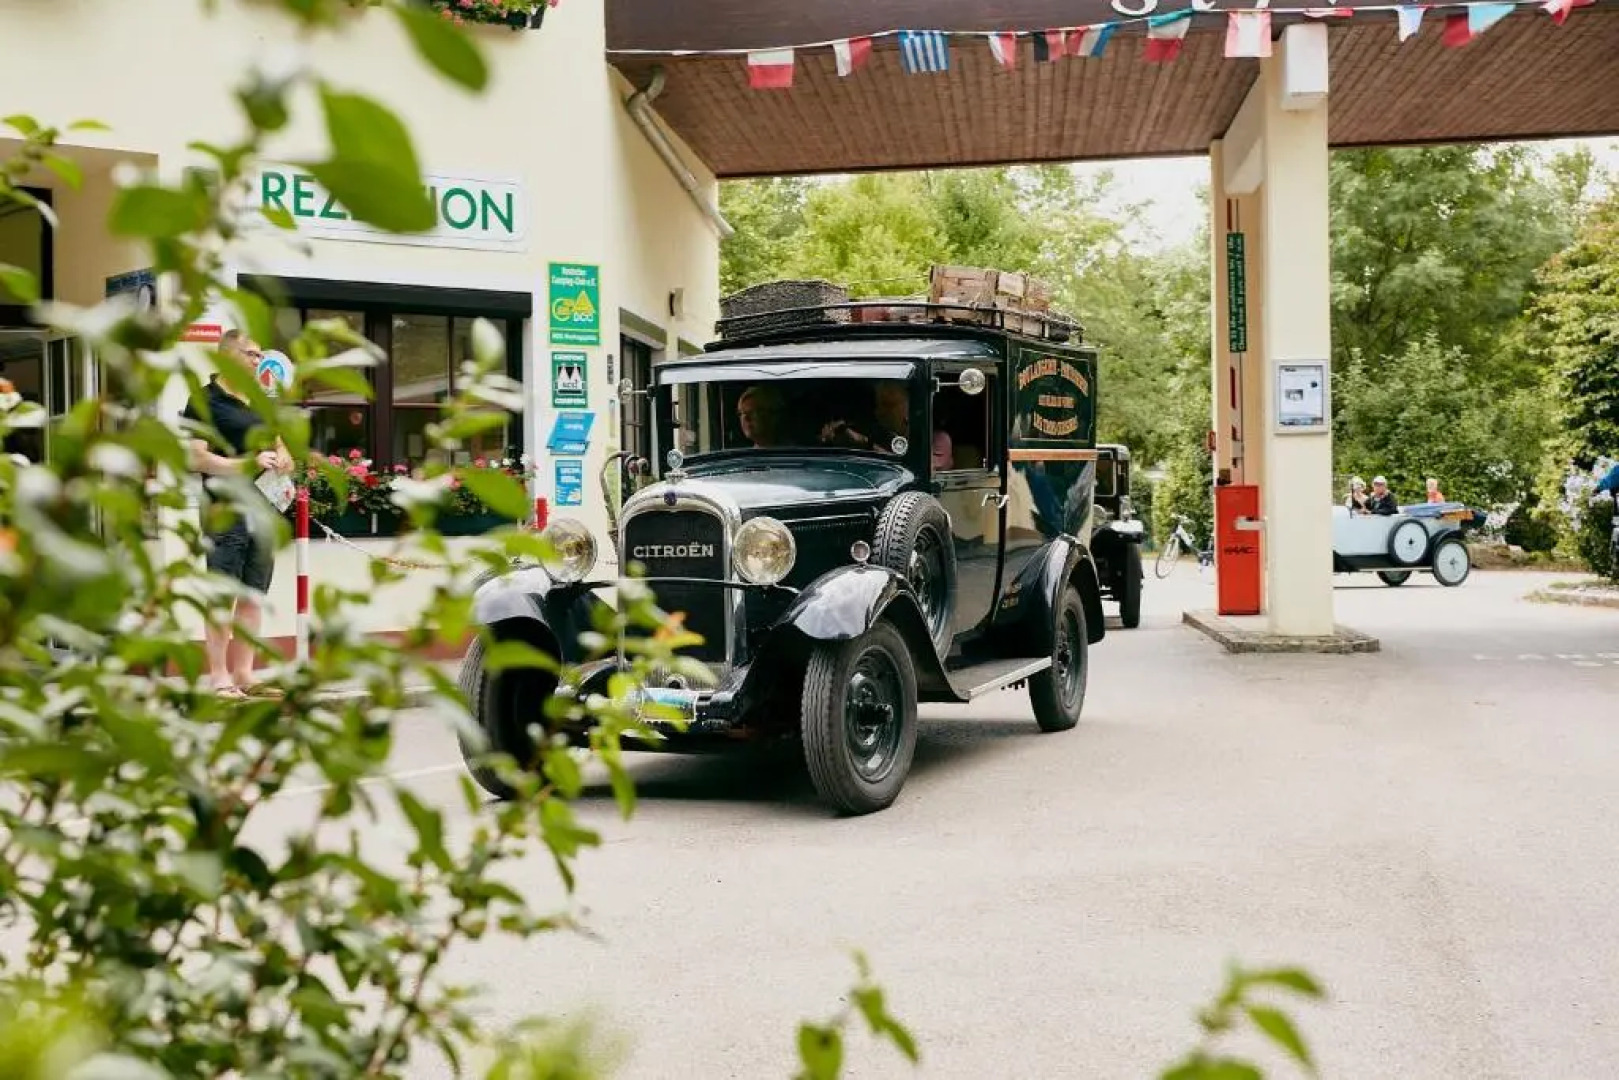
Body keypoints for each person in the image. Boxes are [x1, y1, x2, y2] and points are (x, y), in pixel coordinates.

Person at [183, 329, 294, 698]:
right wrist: (246, 464)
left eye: (260, 354)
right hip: (224, 510)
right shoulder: (203, 400)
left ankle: (245, 673)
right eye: (251, 354)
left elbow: (284, 451)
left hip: (264, 511)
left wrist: (283, 462)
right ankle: (218, 677)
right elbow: (195, 457)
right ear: (228, 355)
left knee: (253, 594)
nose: (258, 360)